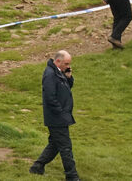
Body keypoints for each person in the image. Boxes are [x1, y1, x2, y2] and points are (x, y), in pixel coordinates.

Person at [29, 50, 79, 180]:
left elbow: (66, 88)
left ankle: (37, 166)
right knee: (66, 147)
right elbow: (50, 97)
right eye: (66, 64)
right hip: (57, 117)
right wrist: (60, 112)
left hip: (60, 116)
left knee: (55, 144)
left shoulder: (58, 72)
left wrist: (69, 78)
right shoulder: (50, 74)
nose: (68, 66)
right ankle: (72, 176)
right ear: (58, 61)